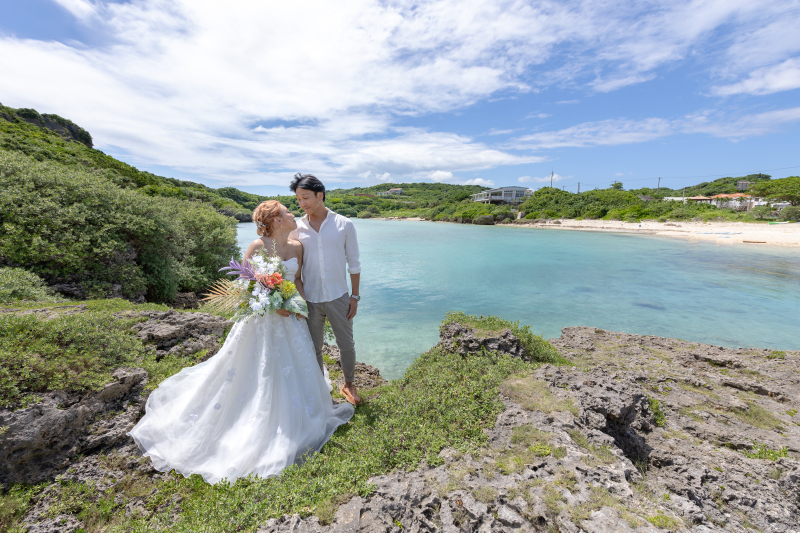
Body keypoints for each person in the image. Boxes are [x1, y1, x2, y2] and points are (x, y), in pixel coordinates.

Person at [128, 201, 354, 484]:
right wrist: (273, 304)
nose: (293, 213)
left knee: (294, 365)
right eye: (287, 211)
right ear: (277, 220)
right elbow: (246, 285)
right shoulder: (257, 246)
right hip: (261, 320)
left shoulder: (298, 247)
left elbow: (297, 280)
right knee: (255, 369)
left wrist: (299, 305)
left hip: (291, 321)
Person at [289, 173, 362, 405]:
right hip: (309, 297)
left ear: (320, 195)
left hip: (339, 296)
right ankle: (319, 387)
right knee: (314, 347)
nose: (302, 203)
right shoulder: (297, 228)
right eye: (298, 199)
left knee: (346, 344)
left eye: (306, 197)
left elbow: (354, 263)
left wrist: (354, 296)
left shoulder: (344, 224)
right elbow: (292, 266)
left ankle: (349, 384)